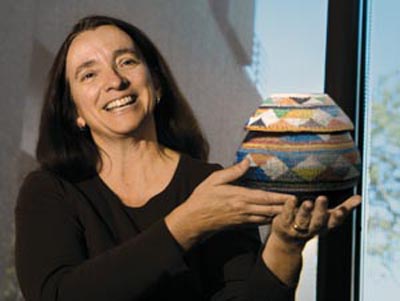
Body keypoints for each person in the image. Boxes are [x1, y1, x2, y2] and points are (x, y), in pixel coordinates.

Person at [14, 15, 361, 301]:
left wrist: (286, 244)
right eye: (89, 74)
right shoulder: (50, 190)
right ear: (75, 111)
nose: (115, 81)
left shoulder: (212, 186)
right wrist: (187, 225)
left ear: (157, 85)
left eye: (127, 61)